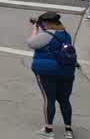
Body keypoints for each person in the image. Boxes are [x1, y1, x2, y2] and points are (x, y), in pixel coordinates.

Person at [28, 10, 76, 138]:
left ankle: (48, 130)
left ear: (47, 23)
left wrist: (35, 30)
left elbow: (31, 43)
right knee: (64, 100)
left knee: (49, 99)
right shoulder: (66, 35)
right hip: (66, 72)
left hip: (47, 72)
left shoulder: (46, 35)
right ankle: (68, 131)